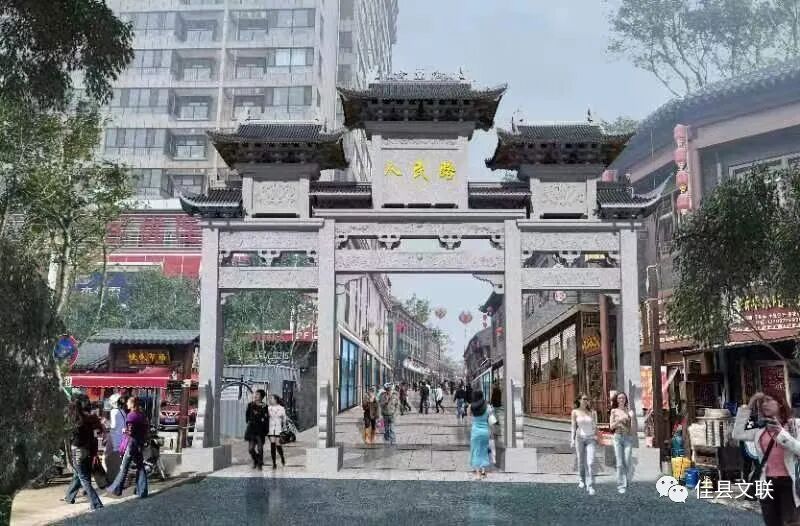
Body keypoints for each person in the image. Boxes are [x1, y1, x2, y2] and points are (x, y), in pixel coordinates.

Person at [733, 390, 800, 526]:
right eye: (762, 402)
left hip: (789, 483)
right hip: (766, 483)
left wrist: (781, 433)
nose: (764, 404)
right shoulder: (760, 430)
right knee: (771, 522)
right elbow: (737, 434)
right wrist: (750, 403)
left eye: (769, 400)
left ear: (780, 403)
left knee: (790, 522)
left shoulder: (795, 425)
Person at [64, 399, 104, 511]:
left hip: (77, 451)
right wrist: (94, 452)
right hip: (87, 450)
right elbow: (94, 436)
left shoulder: (72, 421)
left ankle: (96, 503)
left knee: (83, 478)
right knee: (80, 475)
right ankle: (69, 496)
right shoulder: (88, 419)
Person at [107, 396, 148, 499]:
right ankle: (142, 490)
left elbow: (130, 431)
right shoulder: (141, 415)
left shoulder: (131, 415)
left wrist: (124, 430)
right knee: (140, 467)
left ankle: (116, 489)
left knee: (124, 467)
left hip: (131, 444)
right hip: (139, 443)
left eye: (128, 402)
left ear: (132, 404)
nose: (126, 404)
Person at [609, 391, 637, 494]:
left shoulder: (629, 411)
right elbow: (611, 426)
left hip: (627, 438)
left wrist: (632, 417)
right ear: (617, 400)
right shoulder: (614, 411)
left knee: (627, 460)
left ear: (626, 400)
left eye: (623, 398)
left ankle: (625, 479)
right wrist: (620, 420)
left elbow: (633, 429)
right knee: (619, 463)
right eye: (619, 398)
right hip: (617, 437)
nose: (621, 400)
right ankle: (621, 485)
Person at [571, 393, 598, 496]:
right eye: (584, 399)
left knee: (590, 462)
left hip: (591, 438)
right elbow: (573, 426)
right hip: (579, 438)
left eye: (587, 399)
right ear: (579, 400)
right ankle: (581, 480)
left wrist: (596, 435)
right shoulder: (575, 412)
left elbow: (595, 426)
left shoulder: (592, 412)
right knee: (581, 461)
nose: (586, 401)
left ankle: (590, 485)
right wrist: (572, 439)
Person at [469, 390, 494, 480]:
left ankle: (478, 474)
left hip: (475, 431)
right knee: (484, 450)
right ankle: (483, 471)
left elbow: (469, 415)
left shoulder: (471, 406)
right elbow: (491, 419)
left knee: (476, 451)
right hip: (485, 431)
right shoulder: (488, 406)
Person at [104, 394, 127, 483]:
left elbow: (113, 426)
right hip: (121, 439)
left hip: (114, 439)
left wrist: (105, 422)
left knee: (107, 458)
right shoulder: (122, 411)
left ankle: (111, 478)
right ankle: (117, 478)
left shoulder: (114, 411)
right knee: (118, 460)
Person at [245, 389, 268, 469]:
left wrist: (266, 429)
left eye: (257, 394)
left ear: (261, 397)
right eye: (255, 394)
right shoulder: (250, 405)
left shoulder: (265, 406)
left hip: (260, 430)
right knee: (251, 449)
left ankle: (260, 463)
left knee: (260, 449)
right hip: (251, 430)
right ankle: (256, 460)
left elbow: (266, 418)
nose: (255, 396)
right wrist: (249, 421)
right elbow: (247, 415)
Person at [266, 394, 287, 468]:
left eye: (271, 398)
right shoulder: (268, 408)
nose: (270, 400)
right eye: (270, 399)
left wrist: (284, 426)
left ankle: (282, 457)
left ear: (276, 400)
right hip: (271, 428)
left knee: (278, 445)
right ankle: (274, 463)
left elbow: (284, 418)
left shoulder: (281, 408)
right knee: (272, 444)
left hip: (278, 428)